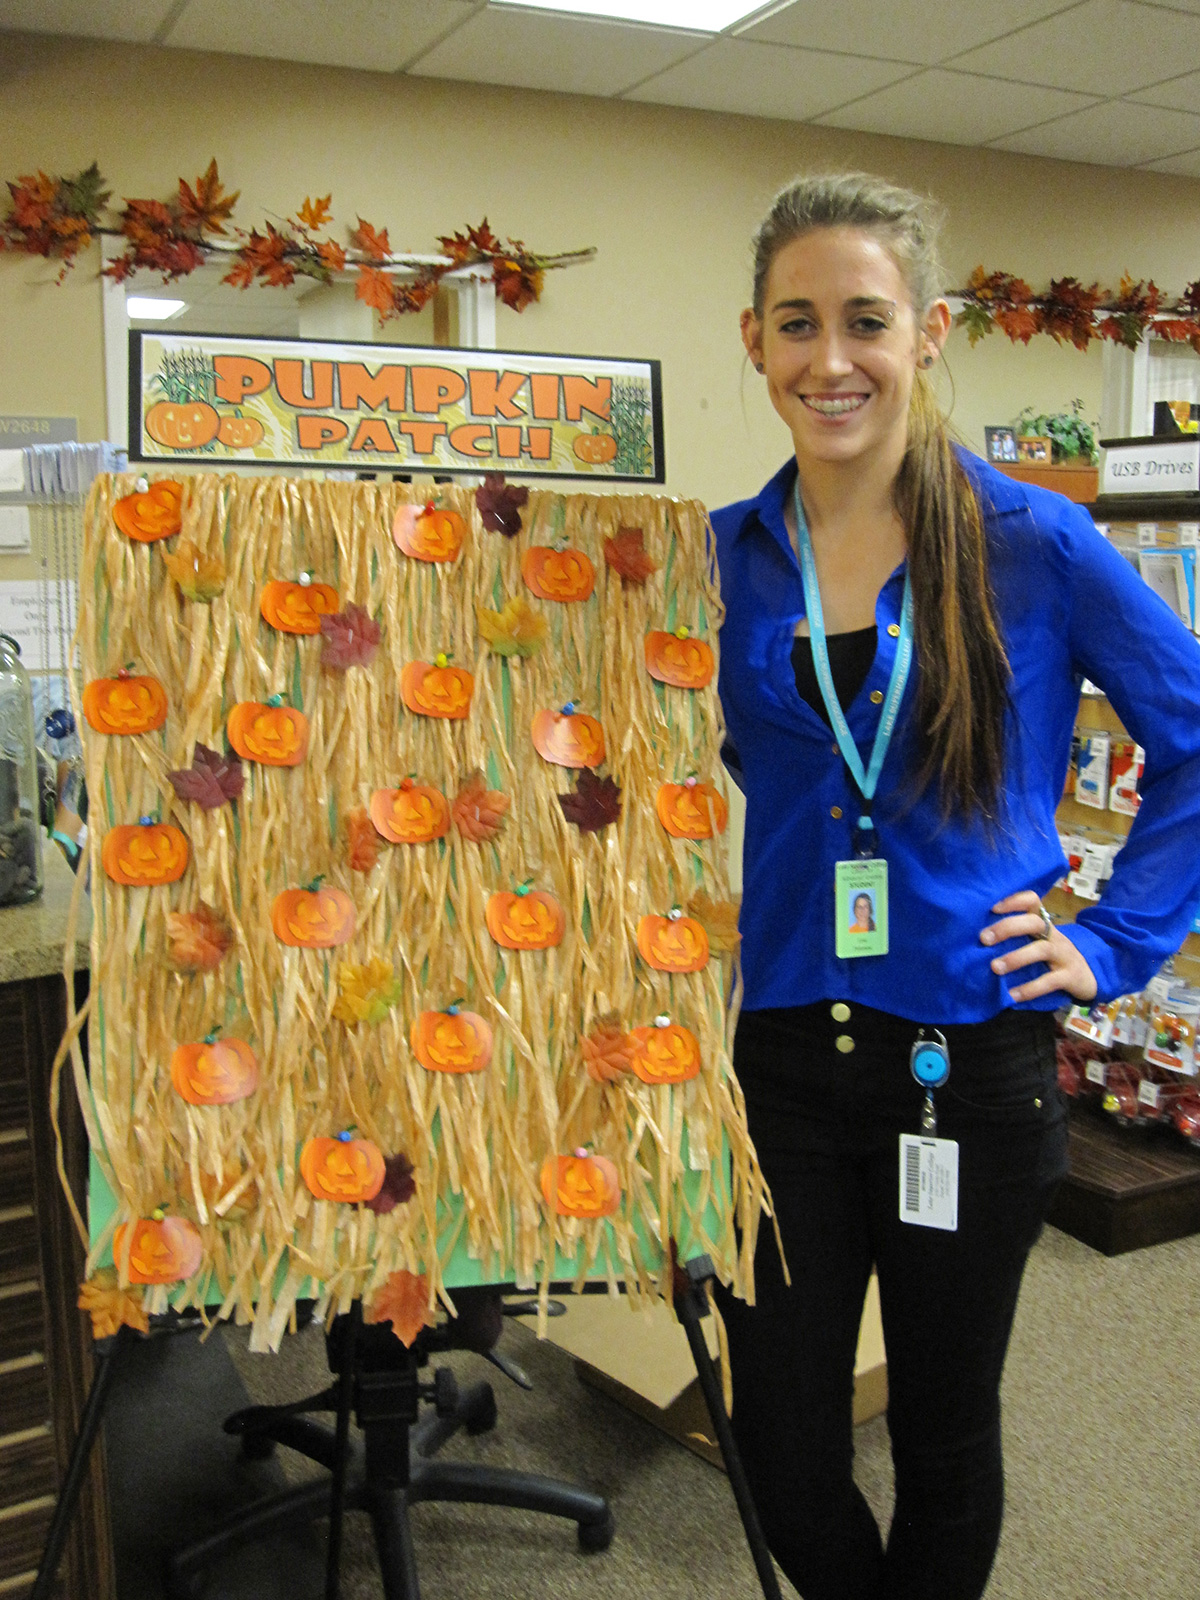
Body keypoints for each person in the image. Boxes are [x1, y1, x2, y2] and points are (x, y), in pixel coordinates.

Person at [711, 172, 1200, 1600]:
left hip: (966, 1066)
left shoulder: (1030, 544)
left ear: (926, 337)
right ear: (755, 343)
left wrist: (1112, 948)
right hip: (784, 1063)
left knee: (942, 1434)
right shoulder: (730, 560)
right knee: (784, 1451)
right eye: (796, 324)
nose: (830, 358)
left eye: (866, 320)